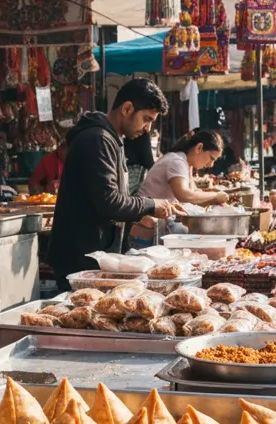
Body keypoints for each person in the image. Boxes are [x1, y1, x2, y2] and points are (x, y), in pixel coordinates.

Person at [49, 78, 181, 291]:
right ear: (127, 108)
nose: (147, 128)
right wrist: (150, 205)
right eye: (146, 119)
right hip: (81, 259)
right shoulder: (97, 139)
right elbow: (109, 202)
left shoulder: (110, 139)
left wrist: (139, 213)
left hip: (96, 255)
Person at [136, 129, 230, 206]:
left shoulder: (186, 163)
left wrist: (216, 200)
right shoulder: (177, 161)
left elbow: (194, 194)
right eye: (211, 158)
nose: (211, 165)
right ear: (199, 148)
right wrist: (215, 195)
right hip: (145, 219)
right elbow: (184, 195)